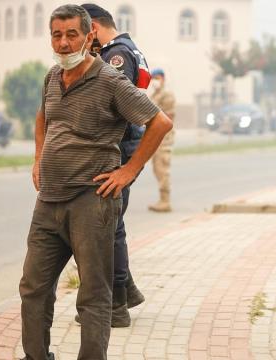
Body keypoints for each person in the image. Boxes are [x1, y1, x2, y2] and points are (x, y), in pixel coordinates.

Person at [19, 5, 172, 360]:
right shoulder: (53, 77)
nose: (64, 43)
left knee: (93, 294)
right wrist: (39, 157)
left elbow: (159, 122)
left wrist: (128, 170)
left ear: (89, 37)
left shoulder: (109, 79)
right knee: (33, 288)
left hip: (91, 202)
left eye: (72, 34)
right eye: (57, 35)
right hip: (49, 202)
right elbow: (43, 117)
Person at [79, 3, 150, 327]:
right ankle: (126, 292)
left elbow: (109, 106)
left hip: (118, 149)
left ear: (92, 27)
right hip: (123, 146)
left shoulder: (116, 56)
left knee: (109, 227)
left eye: (79, 32)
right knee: (112, 223)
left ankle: (116, 305)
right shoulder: (124, 49)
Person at [147, 68, 176, 212]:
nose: (155, 81)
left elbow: (168, 117)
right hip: (155, 135)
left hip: (164, 137)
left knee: (162, 168)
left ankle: (165, 201)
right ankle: (162, 199)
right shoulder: (156, 94)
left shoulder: (167, 95)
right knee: (157, 168)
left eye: (157, 78)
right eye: (153, 78)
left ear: (163, 78)